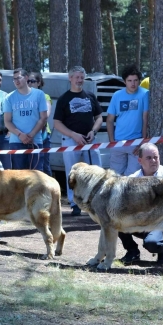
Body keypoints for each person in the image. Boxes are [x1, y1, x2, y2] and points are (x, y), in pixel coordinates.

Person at [118, 143, 163, 265]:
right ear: (140, 160)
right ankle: (132, 251)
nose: (153, 161)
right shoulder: (132, 179)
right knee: (116, 219)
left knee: (153, 244)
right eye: (149, 158)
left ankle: (162, 249)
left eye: (156, 157)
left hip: (162, 223)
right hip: (139, 221)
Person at [53, 65, 103, 217]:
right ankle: (74, 203)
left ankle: (98, 200)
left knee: (97, 170)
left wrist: (93, 131)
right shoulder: (63, 99)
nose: (80, 80)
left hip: (89, 139)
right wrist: (73, 135)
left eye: (82, 77)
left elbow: (99, 117)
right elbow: (57, 123)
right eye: (77, 77)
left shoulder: (90, 96)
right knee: (72, 172)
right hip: (71, 140)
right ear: (70, 78)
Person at [106, 64, 149, 176]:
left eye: (135, 80)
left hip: (135, 142)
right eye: (129, 80)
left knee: (133, 177)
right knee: (115, 177)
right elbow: (110, 119)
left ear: (139, 81)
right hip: (118, 142)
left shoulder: (145, 94)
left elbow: (145, 119)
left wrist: (142, 142)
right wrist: (112, 141)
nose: (133, 83)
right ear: (124, 81)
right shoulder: (117, 95)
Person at [3, 68, 48, 171]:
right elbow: (7, 121)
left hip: (35, 140)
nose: (16, 81)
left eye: (18, 78)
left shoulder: (39, 94)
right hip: (16, 141)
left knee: (37, 177)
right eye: (14, 79)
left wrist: (31, 135)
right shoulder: (9, 98)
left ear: (26, 77)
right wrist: (20, 135)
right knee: (19, 178)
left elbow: (43, 117)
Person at [28, 71, 52, 176]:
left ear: (38, 83)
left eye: (32, 81)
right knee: (29, 166)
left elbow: (46, 115)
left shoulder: (45, 96)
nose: (29, 83)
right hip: (26, 136)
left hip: (43, 135)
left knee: (43, 165)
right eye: (27, 81)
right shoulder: (22, 97)